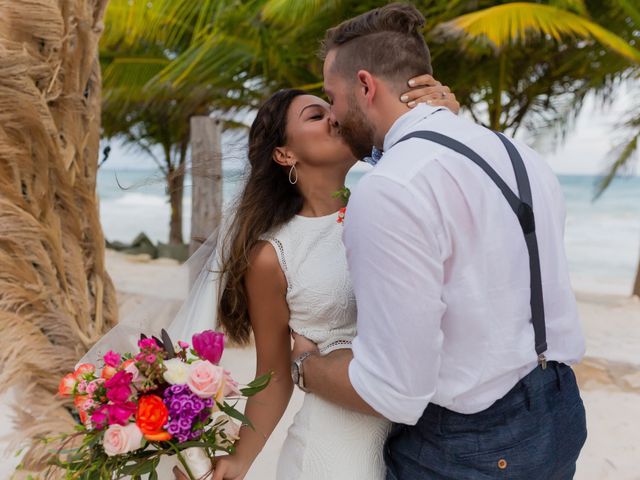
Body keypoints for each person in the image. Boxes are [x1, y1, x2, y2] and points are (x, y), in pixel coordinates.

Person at [291, 3, 587, 480]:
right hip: (558, 412)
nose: (335, 116)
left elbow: (395, 390)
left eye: (333, 96)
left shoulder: (393, 187)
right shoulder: (518, 153)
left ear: (365, 85)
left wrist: (306, 365)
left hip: (469, 446)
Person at [169, 77, 459, 479]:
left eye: (331, 108)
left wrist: (446, 120)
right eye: (315, 115)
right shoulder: (274, 255)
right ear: (285, 154)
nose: (334, 117)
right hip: (335, 450)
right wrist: (239, 461)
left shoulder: (390, 208)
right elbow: (271, 372)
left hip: (420, 439)